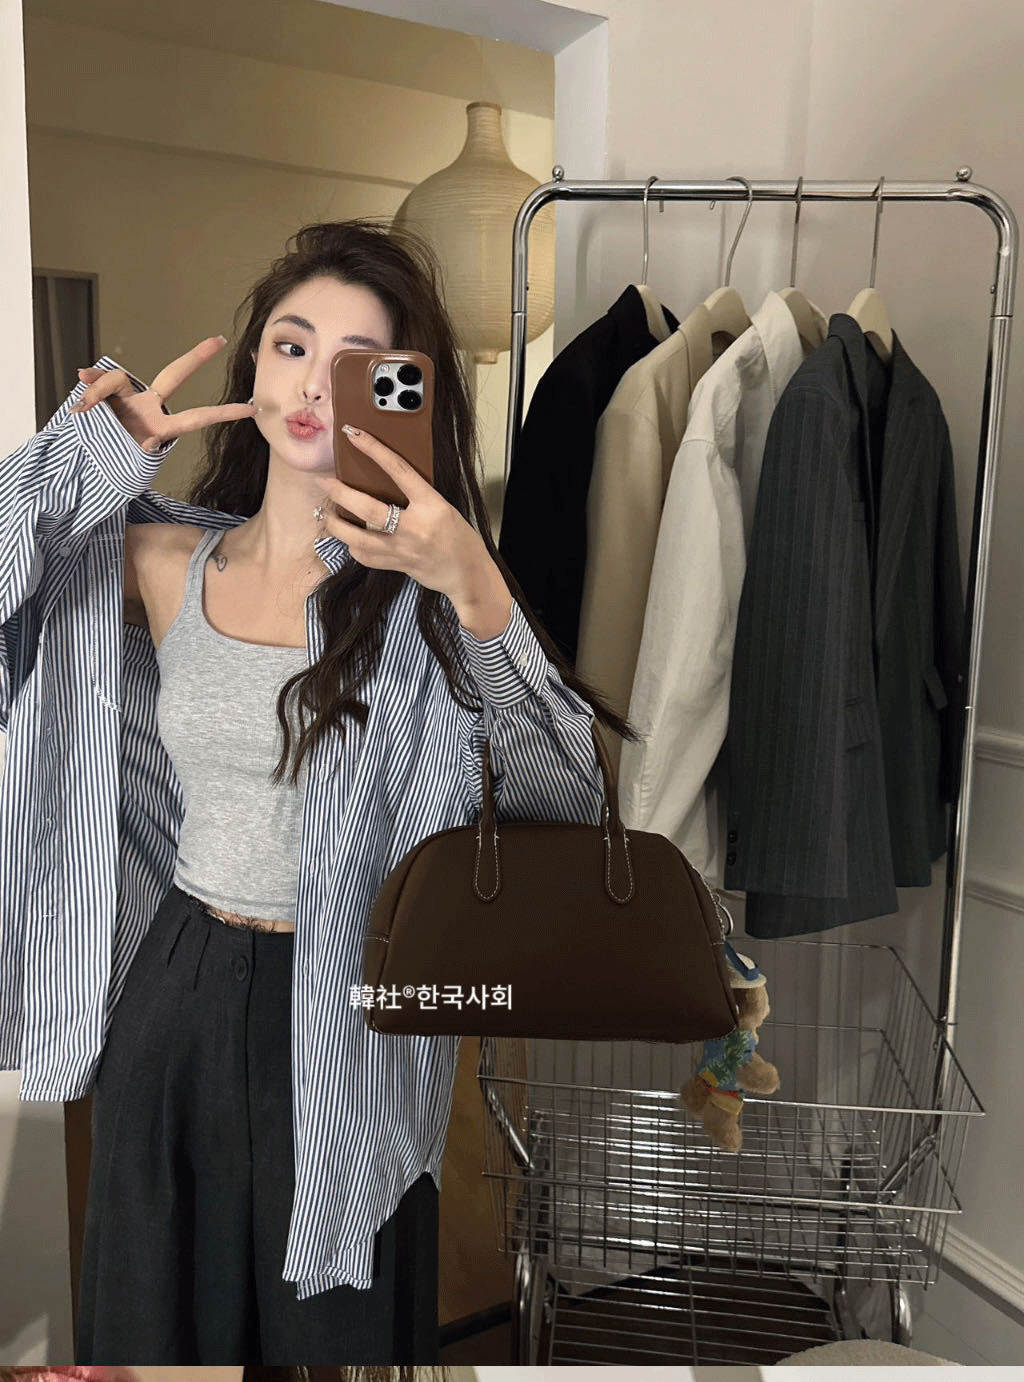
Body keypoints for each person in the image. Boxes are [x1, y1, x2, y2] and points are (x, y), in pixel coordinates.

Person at [0, 220, 637, 1364]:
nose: (309, 385)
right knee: (161, 1326)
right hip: (178, 982)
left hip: (353, 992)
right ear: (254, 361)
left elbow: (566, 799)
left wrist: (477, 586)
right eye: (292, 346)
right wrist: (90, 457)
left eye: (355, 364)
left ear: (401, 392)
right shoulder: (161, 563)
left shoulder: (429, 595)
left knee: (335, 1332)